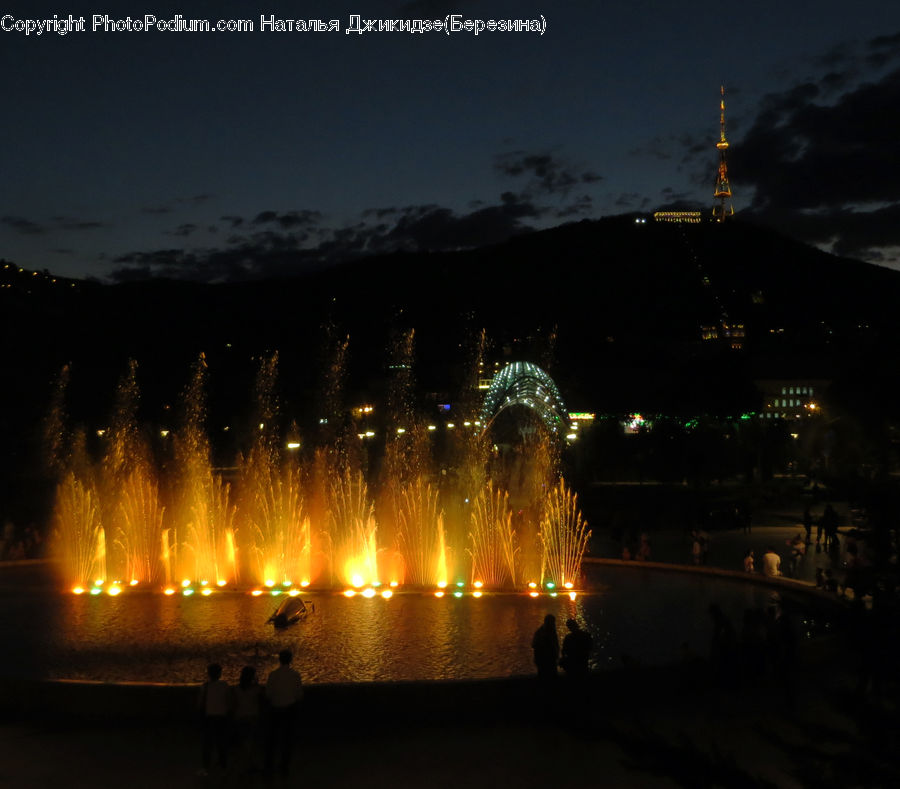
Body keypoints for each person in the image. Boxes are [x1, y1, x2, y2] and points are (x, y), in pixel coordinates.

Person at [265, 649, 304, 778]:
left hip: (275, 708)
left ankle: (269, 765)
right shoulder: (295, 675)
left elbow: (268, 694)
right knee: (287, 739)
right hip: (289, 709)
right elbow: (299, 695)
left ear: (279, 659)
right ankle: (284, 766)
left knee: (273, 739)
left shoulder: (273, 675)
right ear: (290, 660)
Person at [197, 662, 230, 776]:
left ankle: (206, 766)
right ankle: (223, 765)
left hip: (209, 717)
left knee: (208, 744)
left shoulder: (205, 686)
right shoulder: (225, 685)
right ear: (220, 674)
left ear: (209, 674)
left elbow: (201, 703)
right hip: (221, 717)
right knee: (221, 743)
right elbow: (228, 700)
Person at [232, 665, 263, 774]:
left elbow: (234, 704)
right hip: (252, 717)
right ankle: (250, 764)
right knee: (251, 742)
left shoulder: (236, 689)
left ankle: (243, 765)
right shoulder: (256, 689)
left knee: (243, 742)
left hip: (240, 717)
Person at [531, 614, 560, 681]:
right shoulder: (547, 632)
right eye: (552, 622)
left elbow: (533, 645)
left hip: (545, 661)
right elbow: (555, 645)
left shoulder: (540, 632)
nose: (553, 624)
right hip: (546, 661)